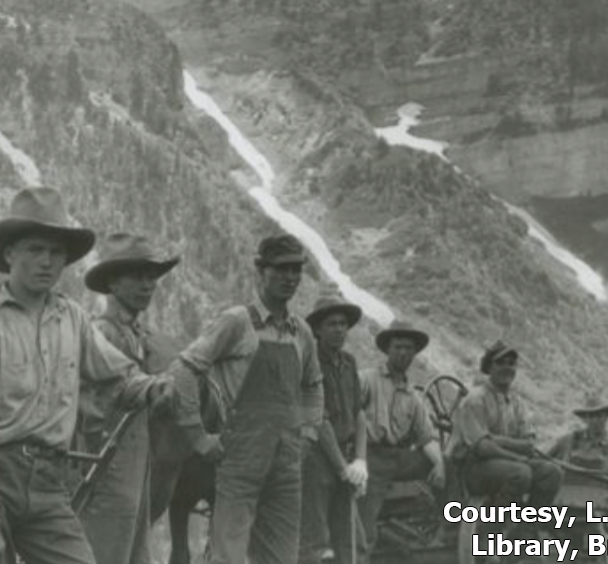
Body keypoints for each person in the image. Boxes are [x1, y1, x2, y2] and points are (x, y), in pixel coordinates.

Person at [0, 187, 170, 564]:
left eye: (56, 252)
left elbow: (116, 374)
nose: (47, 261)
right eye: (35, 249)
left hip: (49, 484)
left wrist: (153, 388)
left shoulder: (72, 318)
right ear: (10, 254)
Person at [172, 233, 323, 564]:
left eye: (296, 270)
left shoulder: (302, 332)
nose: (290, 277)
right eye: (281, 269)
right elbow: (183, 370)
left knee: (282, 556)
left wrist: (309, 434)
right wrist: (198, 436)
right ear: (261, 272)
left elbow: (313, 386)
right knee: (228, 554)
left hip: (287, 464)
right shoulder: (237, 322)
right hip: (240, 458)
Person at [77, 233, 182, 564]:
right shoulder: (101, 334)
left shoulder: (139, 336)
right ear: (112, 282)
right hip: (105, 468)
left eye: (152, 277)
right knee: (106, 550)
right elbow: (91, 410)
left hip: (135, 466)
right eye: (137, 276)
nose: (147, 285)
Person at [359, 318, 445, 553]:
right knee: (364, 529)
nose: (403, 353)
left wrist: (439, 464)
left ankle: (448, 529)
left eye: (409, 348)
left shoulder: (413, 396)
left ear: (414, 353)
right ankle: (362, 551)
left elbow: (426, 437)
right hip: (369, 458)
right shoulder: (366, 379)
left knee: (447, 465)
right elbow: (347, 417)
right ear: (387, 349)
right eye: (398, 347)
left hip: (397, 458)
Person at [300, 286, 369, 564]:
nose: (339, 330)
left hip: (345, 456)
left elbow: (359, 414)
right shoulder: (311, 362)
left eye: (343, 324)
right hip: (316, 459)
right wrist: (343, 468)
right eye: (332, 324)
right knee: (317, 542)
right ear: (317, 329)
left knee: (353, 541)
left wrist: (360, 462)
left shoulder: (349, 362)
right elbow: (320, 420)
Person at [448, 340, 562, 509]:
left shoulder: (518, 404)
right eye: (500, 363)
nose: (506, 367)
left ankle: (525, 528)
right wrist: (516, 455)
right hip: (473, 470)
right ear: (489, 367)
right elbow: (483, 448)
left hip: (508, 464)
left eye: (511, 363)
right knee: (520, 473)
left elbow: (529, 445)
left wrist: (496, 440)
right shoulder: (475, 400)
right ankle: (493, 528)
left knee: (552, 473)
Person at [547, 394, 608, 474]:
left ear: (606, 417)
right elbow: (543, 456)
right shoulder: (570, 439)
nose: (595, 421)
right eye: (591, 416)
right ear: (584, 419)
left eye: (599, 416)